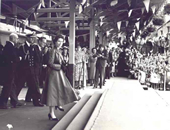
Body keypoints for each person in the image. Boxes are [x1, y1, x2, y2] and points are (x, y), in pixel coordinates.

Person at [41, 35, 78, 121]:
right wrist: (60, 66)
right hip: (53, 74)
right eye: (58, 41)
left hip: (58, 74)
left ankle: (52, 112)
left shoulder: (58, 51)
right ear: (54, 42)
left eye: (61, 41)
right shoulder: (52, 51)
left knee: (56, 93)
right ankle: (51, 113)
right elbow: (50, 63)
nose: (60, 43)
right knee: (52, 94)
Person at [16, 32, 43, 106]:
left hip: (31, 70)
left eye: (33, 38)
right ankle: (14, 100)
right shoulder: (23, 47)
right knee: (19, 85)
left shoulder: (33, 47)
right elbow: (22, 57)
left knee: (34, 86)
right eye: (31, 38)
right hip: (24, 70)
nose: (32, 39)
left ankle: (36, 101)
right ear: (27, 38)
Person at [0, 33, 23, 109]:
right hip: (9, 70)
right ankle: (3, 103)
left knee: (12, 86)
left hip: (9, 70)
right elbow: (13, 58)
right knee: (7, 87)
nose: (17, 40)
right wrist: (19, 58)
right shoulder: (10, 47)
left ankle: (14, 101)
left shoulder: (8, 46)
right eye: (16, 38)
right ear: (13, 38)